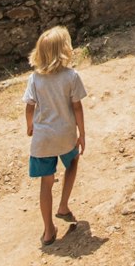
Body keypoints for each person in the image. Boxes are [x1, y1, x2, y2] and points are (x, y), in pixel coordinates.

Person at [24, 25, 88, 246]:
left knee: (46, 182)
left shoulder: (35, 79)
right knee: (72, 161)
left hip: (43, 138)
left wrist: (29, 126)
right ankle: (63, 205)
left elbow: (29, 106)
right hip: (65, 134)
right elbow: (77, 107)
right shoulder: (71, 77)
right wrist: (82, 133)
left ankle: (48, 231)